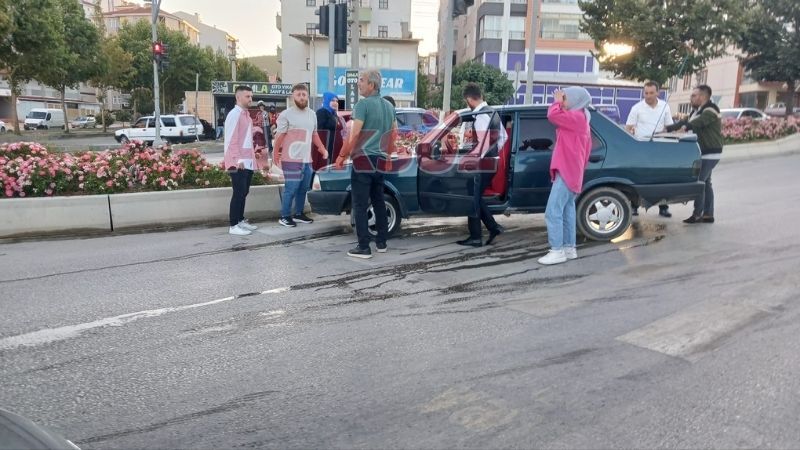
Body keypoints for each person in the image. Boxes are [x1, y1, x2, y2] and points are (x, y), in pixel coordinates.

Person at [335, 69, 397, 259]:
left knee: (360, 204)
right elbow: (393, 134)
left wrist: (341, 155)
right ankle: (382, 242)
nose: (358, 84)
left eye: (361, 81)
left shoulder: (363, 105)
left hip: (363, 159)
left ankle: (363, 247)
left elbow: (354, 134)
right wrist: (386, 156)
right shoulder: (389, 106)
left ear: (372, 85)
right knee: (378, 200)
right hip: (379, 160)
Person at [538, 87, 593, 265]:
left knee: (552, 211)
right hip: (573, 170)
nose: (563, 100)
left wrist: (557, 101)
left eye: (566, 97)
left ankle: (557, 251)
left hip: (568, 171)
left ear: (577, 99)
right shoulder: (583, 118)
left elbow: (553, 115)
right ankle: (569, 249)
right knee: (567, 209)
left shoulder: (576, 117)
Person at [455, 83, 506, 248]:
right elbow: (502, 137)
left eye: (466, 101)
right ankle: (493, 227)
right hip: (491, 162)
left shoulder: (481, 116)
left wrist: (472, 158)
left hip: (483, 164)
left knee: (472, 198)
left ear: (469, 99)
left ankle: (476, 237)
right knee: (475, 197)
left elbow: (483, 145)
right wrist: (493, 152)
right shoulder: (492, 112)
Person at [666, 84, 723, 224]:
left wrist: (685, 127)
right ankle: (708, 214)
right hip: (702, 152)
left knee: (699, 183)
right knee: (706, 183)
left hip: (710, 153)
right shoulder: (696, 111)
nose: (691, 98)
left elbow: (699, 122)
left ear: (702, 97)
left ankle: (697, 214)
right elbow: (683, 122)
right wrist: (668, 129)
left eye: (693, 95)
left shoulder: (711, 110)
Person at [273, 83, 328, 227]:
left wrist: (322, 149)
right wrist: (275, 155)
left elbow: (314, 134)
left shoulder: (312, 114)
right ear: (293, 97)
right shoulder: (286, 115)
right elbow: (279, 137)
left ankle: (298, 214)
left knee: (303, 188)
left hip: (306, 160)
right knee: (291, 188)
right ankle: (285, 216)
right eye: (299, 94)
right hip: (291, 159)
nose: (302, 97)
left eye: (304, 94)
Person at [626, 81, 675, 217]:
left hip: (660, 147)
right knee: (638, 178)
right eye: (646, 93)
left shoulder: (665, 106)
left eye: (651, 93)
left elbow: (669, 127)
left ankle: (663, 207)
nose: (648, 96)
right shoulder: (636, 108)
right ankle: (634, 206)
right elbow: (628, 127)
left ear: (657, 93)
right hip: (641, 147)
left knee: (661, 178)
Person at [224, 85, 259, 236]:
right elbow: (231, 139)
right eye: (247, 96)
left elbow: (246, 139)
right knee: (238, 193)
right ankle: (233, 225)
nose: (250, 99)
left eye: (251, 96)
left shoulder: (246, 115)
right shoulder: (234, 114)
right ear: (238, 97)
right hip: (236, 161)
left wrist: (253, 157)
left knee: (244, 192)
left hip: (247, 160)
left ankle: (240, 220)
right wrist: (237, 160)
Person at [316, 92, 340, 165]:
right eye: (332, 100)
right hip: (325, 148)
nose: (335, 103)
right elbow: (319, 131)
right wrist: (322, 148)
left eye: (336, 101)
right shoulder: (322, 112)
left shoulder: (334, 114)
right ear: (327, 100)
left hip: (333, 148)